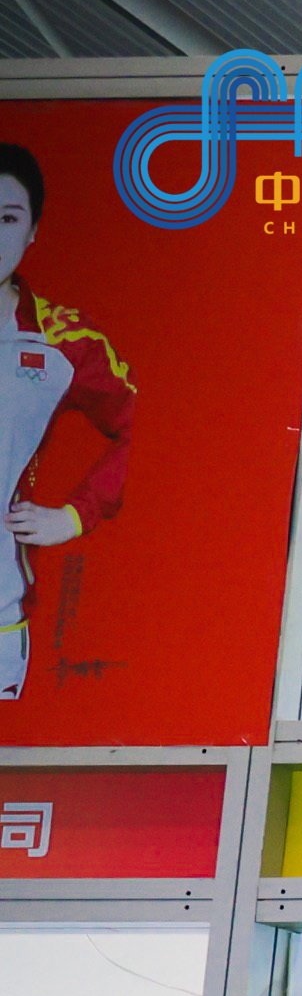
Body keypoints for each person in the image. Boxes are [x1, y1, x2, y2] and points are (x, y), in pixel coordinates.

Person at [0, 144, 131, 705]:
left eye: (8, 219)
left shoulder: (64, 341)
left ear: (33, 231)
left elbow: (148, 431)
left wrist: (76, 515)